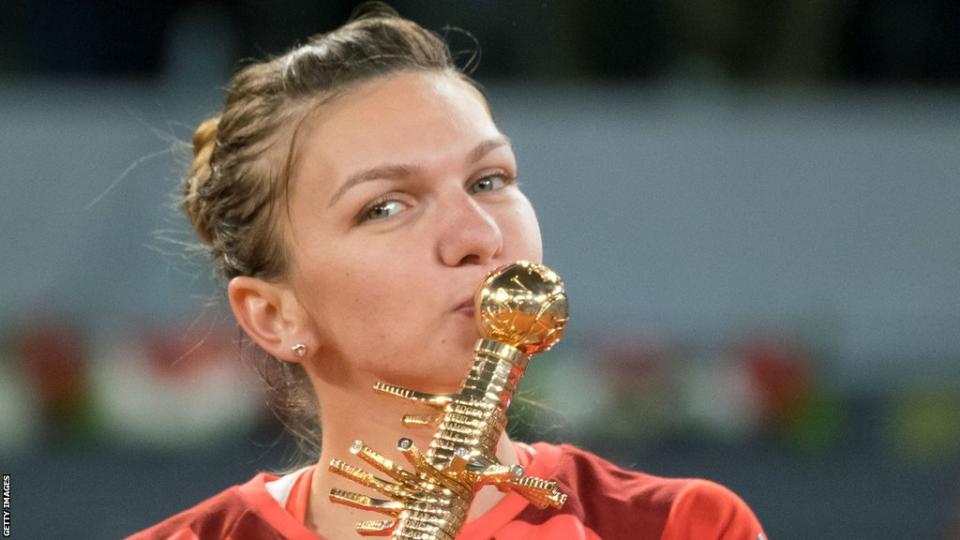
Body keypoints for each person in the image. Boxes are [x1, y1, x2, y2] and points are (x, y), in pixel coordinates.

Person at [129, 3, 766, 539]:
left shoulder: (681, 525)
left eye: (489, 180)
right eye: (385, 207)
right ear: (274, 313)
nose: (479, 236)